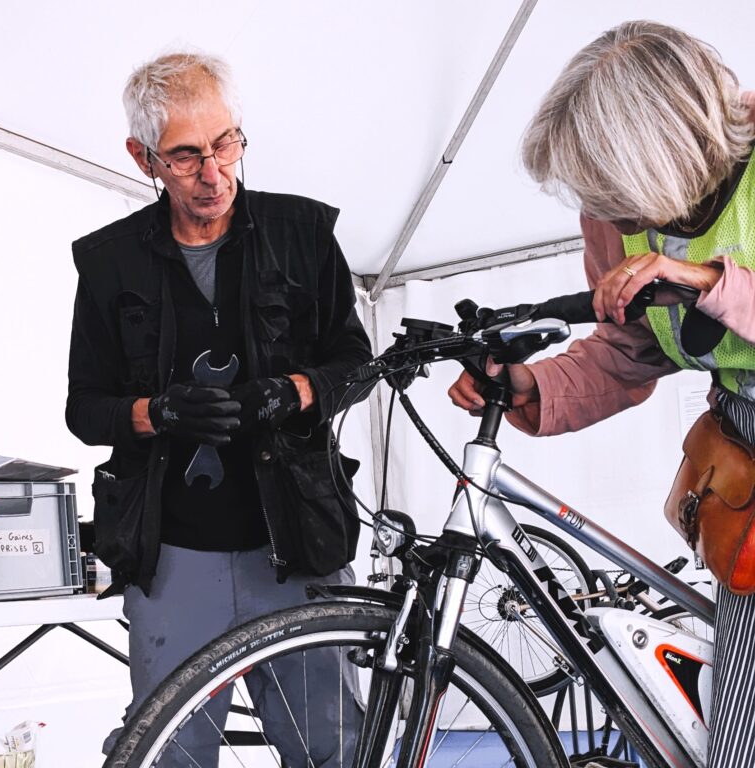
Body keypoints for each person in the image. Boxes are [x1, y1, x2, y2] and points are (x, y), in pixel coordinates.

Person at [447, 20, 755, 767]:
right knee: (736, 728)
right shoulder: (618, 218)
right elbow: (629, 349)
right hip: (745, 465)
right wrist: (527, 383)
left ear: (664, 152)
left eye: (613, 189)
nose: (608, 215)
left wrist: (709, 282)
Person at [65, 51, 372, 764]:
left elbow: (356, 365)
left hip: (295, 546)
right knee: (169, 753)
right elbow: (85, 410)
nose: (213, 173)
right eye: (185, 156)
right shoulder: (109, 264)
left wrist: (292, 392)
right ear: (142, 156)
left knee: (333, 747)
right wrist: (156, 413)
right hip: (174, 556)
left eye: (226, 143)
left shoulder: (303, 235)